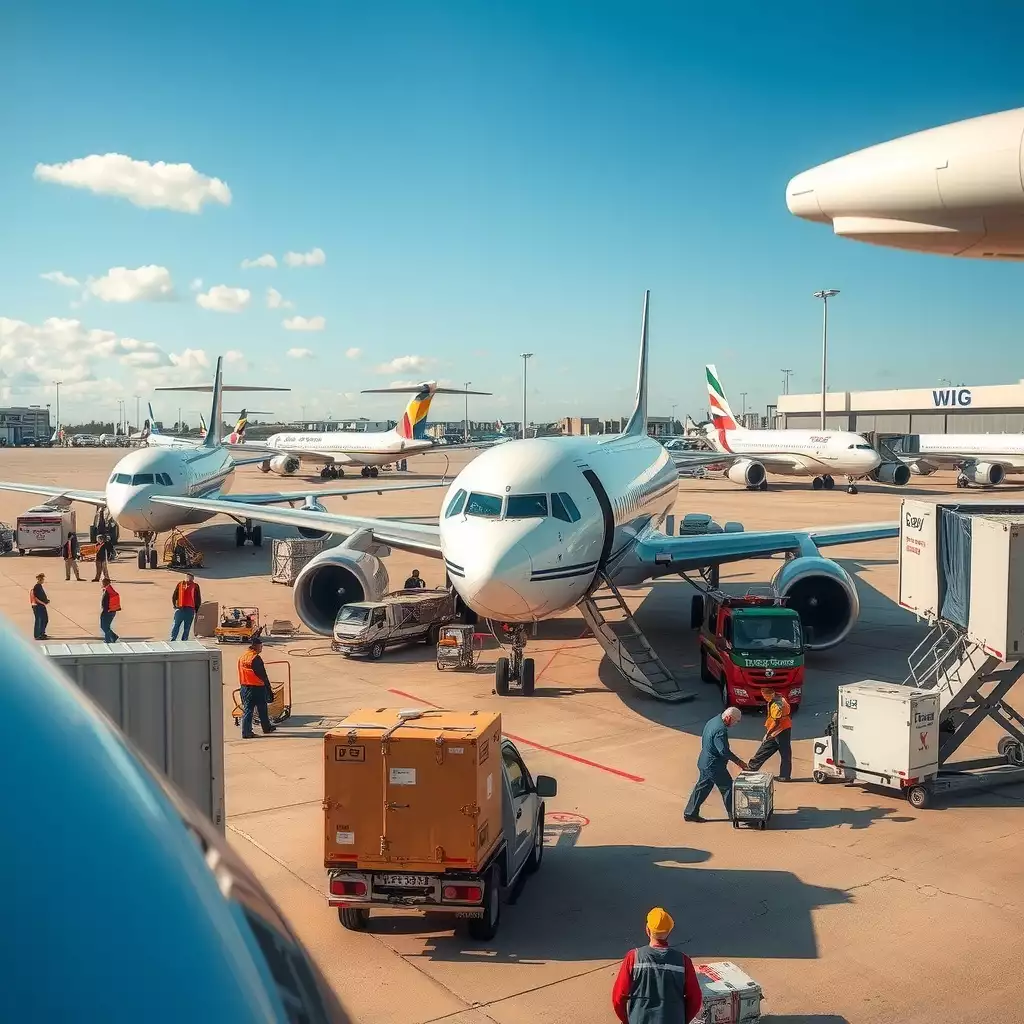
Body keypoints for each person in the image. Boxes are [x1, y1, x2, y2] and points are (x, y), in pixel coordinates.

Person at [612, 908, 703, 1024]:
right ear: (669, 932)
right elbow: (695, 999)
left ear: (647, 930)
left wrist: (627, 1020)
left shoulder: (633, 958)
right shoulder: (684, 961)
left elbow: (618, 998)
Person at [683, 707, 748, 822]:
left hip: (704, 761)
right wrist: (739, 762)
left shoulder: (713, 721)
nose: (734, 724)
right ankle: (734, 816)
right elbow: (723, 751)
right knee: (728, 787)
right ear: (728, 718)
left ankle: (690, 813)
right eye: (735, 721)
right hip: (714, 765)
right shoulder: (720, 730)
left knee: (702, 787)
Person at [746, 687, 793, 782]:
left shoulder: (777, 704)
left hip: (780, 731)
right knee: (773, 750)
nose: (764, 698)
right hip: (782, 729)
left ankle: (752, 768)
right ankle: (752, 767)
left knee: (775, 750)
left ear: (769, 694)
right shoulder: (778, 697)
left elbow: (776, 722)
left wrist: (767, 734)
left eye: (764, 696)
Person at [238, 635, 277, 739]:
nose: (261, 648)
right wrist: (269, 689)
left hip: (245, 687)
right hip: (257, 688)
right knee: (262, 709)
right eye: (261, 646)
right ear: (256, 646)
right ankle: (266, 728)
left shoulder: (243, 656)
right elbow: (263, 675)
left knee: (248, 710)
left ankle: (246, 731)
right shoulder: (256, 658)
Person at [170, 572, 202, 641]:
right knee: (176, 625)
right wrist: (175, 605)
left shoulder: (195, 586)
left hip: (190, 609)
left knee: (187, 627)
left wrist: (197, 609)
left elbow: (198, 598)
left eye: (191, 577)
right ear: (186, 577)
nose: (189, 579)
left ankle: (184, 640)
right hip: (180, 608)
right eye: (188, 577)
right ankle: (172, 639)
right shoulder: (180, 584)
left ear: (193, 578)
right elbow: (174, 595)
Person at [100, 576, 121, 643]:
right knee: (105, 626)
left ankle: (108, 640)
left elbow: (106, 603)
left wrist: (105, 611)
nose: (102, 583)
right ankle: (114, 636)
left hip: (108, 611)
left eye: (103, 582)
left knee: (105, 626)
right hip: (110, 611)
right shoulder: (109, 590)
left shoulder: (108, 592)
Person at [30, 573, 50, 640]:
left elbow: (42, 596)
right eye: (42, 579)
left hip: (41, 605)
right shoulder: (36, 587)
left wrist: (46, 600)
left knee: (45, 619)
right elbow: (35, 597)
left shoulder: (40, 586)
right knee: (39, 620)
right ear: (40, 579)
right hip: (37, 606)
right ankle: (38, 635)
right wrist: (43, 602)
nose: (43, 580)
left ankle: (42, 633)